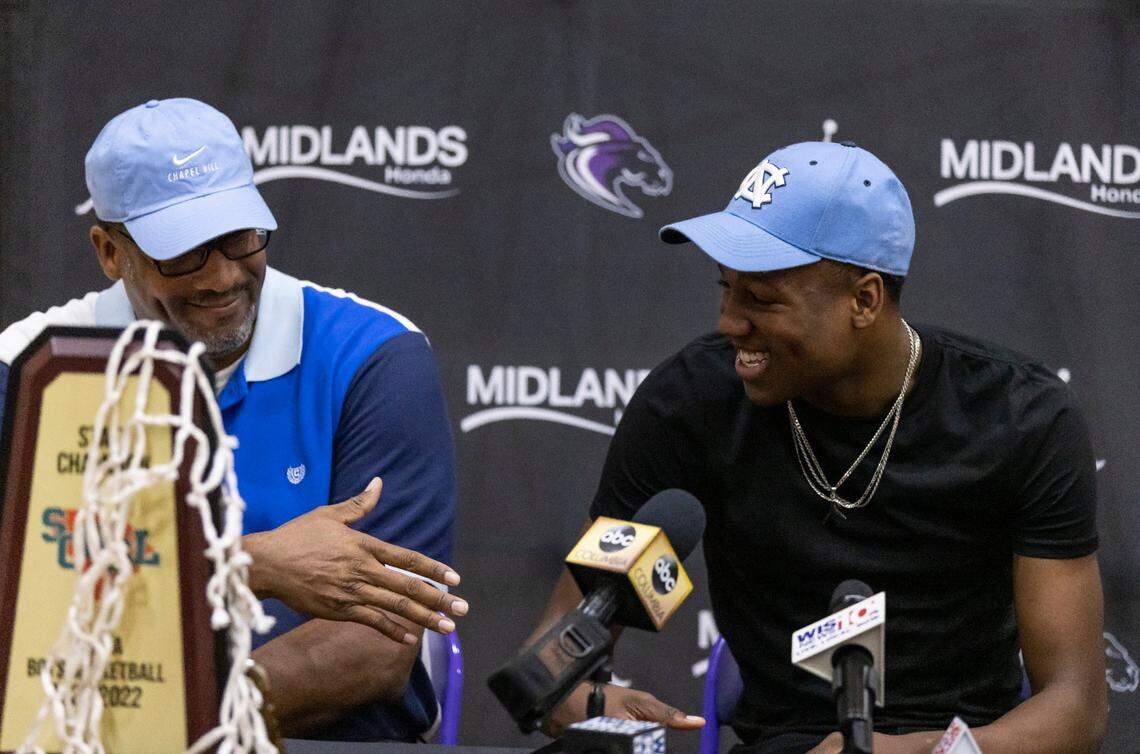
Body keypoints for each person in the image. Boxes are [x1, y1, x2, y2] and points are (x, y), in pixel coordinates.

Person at [529, 141, 1106, 753]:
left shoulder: (1015, 419)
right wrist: (583, 698)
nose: (729, 322)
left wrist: (900, 753)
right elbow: (552, 659)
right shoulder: (692, 408)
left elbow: (1075, 711)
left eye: (760, 299)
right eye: (726, 289)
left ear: (864, 300)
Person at [0, 98, 466, 742]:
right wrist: (249, 564)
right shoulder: (31, 372)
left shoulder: (374, 355)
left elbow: (376, 639)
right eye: (182, 252)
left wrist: (184, 726)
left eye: (238, 237)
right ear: (110, 252)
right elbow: (25, 607)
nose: (221, 276)